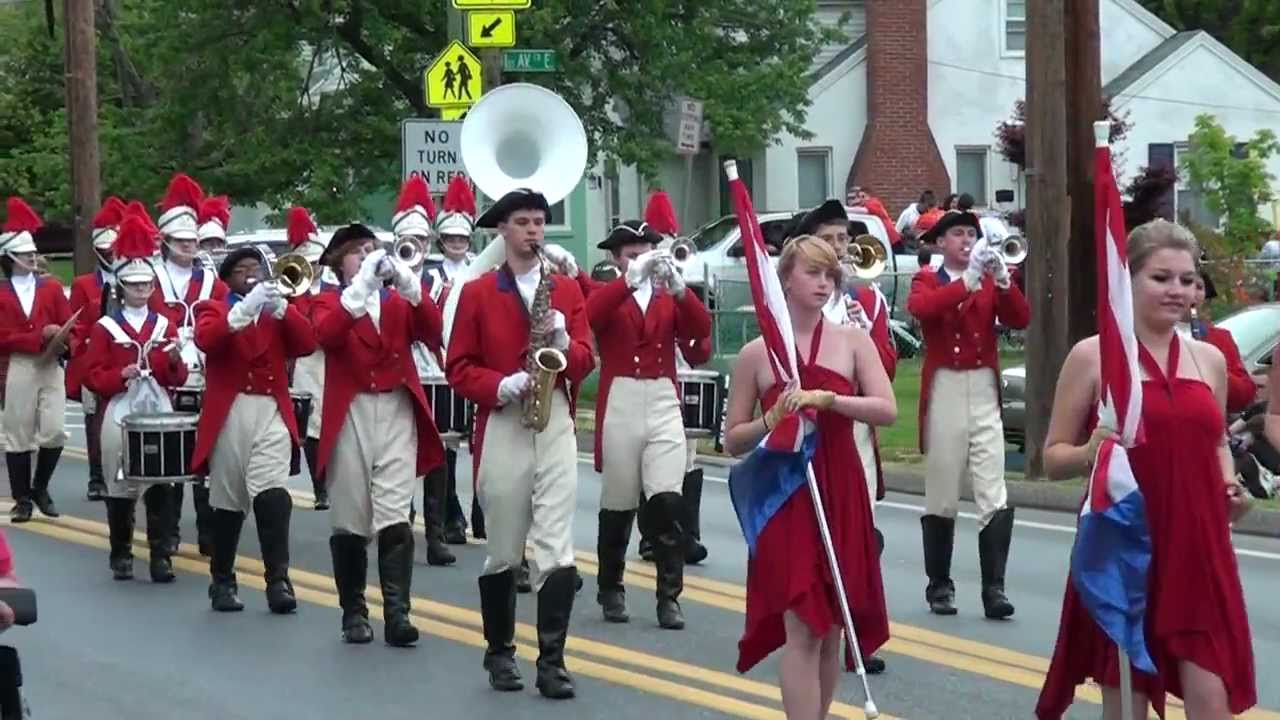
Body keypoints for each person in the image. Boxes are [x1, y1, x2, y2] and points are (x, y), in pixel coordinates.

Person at [1036, 220, 1256, 719]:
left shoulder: (1209, 360)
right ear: (1127, 281)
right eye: (1161, 278)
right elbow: (1052, 459)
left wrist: (1231, 488)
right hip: (1127, 542)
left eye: (1186, 279)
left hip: (1199, 546)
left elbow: (1216, 441)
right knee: (1127, 703)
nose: (1177, 290)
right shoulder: (1092, 356)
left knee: (1212, 698)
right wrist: (1092, 448)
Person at [723, 236, 894, 720]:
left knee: (831, 625)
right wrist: (770, 420)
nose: (823, 283)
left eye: (829, 276)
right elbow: (733, 439)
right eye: (813, 273)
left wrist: (829, 400)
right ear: (785, 280)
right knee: (801, 624)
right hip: (786, 494)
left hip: (840, 486)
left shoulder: (853, 341)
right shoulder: (757, 354)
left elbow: (886, 408)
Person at [446, 188, 595, 699]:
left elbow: (586, 360)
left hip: (554, 421)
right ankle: (500, 652)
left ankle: (552, 662)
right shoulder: (479, 292)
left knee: (556, 547)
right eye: (524, 222)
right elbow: (458, 367)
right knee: (505, 549)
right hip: (505, 421)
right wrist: (498, 385)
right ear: (503, 231)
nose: (534, 231)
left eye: (539, 222)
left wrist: (563, 343)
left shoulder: (568, 291)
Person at [312, 223, 446, 647]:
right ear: (339, 263)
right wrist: (361, 288)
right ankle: (353, 611)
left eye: (371, 249)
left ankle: (397, 612)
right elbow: (326, 335)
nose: (368, 256)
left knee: (394, 512)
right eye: (357, 252)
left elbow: (432, 329)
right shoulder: (327, 301)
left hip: (395, 407)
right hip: (350, 409)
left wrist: (411, 287)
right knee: (351, 514)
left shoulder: (394, 303)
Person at [586, 219, 712, 630]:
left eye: (645, 252)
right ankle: (611, 586)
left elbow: (700, 334)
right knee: (619, 501)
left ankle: (669, 597)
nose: (640, 260)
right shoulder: (609, 292)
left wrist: (680, 290)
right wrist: (628, 282)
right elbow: (592, 316)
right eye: (631, 255)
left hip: (661, 396)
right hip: (621, 396)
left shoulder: (666, 296)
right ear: (617, 259)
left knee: (667, 498)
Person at [791, 199, 897, 674]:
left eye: (843, 241)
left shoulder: (867, 301)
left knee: (861, 531)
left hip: (854, 427)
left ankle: (856, 632)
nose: (839, 250)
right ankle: (821, 626)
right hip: (810, 435)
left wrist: (863, 336)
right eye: (830, 240)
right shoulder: (794, 307)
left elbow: (888, 373)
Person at [906, 209, 1029, 619]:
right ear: (940, 242)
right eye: (957, 234)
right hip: (945, 385)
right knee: (942, 487)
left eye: (970, 234)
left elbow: (1020, 318)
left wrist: (1006, 282)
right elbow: (923, 310)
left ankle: (995, 589)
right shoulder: (928, 278)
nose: (965, 240)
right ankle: (939, 585)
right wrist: (968, 281)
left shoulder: (989, 278)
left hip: (983, 387)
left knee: (993, 487)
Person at [191, 245, 317, 613]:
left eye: (257, 269)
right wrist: (243, 310)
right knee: (228, 502)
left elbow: (307, 343)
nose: (254, 275)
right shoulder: (213, 308)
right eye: (244, 270)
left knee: (272, 492)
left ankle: (278, 580)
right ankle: (223, 580)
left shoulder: (275, 313)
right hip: (230, 411)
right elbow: (208, 339)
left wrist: (282, 309)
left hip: (271, 409)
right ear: (228, 278)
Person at [82, 215, 189, 581]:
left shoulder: (164, 325)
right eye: (134, 285)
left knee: (161, 481)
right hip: (120, 409)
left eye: (146, 285)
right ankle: (121, 552)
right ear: (121, 287)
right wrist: (118, 375)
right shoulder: (105, 327)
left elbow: (177, 378)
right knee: (120, 482)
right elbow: (91, 375)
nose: (142, 290)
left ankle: (160, 556)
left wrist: (172, 361)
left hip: (157, 406)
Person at [151, 173, 227, 557]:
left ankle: (208, 529)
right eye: (181, 242)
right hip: (163, 375)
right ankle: (166, 533)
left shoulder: (212, 278)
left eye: (193, 241)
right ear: (165, 241)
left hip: (204, 373)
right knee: (169, 456)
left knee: (205, 454)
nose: (189, 248)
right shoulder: (149, 277)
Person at [390, 174, 456, 567]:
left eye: (424, 241)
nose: (418, 248)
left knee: (439, 446)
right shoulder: (383, 273)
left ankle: (436, 533)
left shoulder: (437, 277)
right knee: (396, 447)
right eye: (411, 240)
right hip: (398, 367)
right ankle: (398, 519)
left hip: (432, 364)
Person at [0, 197, 71, 523]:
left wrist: (64, 340)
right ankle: (22, 499)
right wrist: (37, 336)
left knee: (55, 430)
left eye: (33, 252)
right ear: (9, 257)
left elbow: (72, 323)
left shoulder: (52, 288)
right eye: (26, 253)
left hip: (51, 365)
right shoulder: (1, 292)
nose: (32, 257)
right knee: (18, 434)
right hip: (21, 364)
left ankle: (40, 486)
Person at [430, 175, 483, 545]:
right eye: (450, 239)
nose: (456, 245)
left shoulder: (482, 268)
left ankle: (485, 513)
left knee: (484, 440)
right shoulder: (430, 272)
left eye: (462, 238)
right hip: (440, 359)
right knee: (446, 441)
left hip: (477, 360)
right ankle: (449, 513)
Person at [69, 196, 128, 502]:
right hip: (96, 357)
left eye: (114, 248)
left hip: (127, 356)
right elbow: (75, 326)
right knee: (95, 419)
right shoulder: (82, 284)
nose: (110, 253)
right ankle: (96, 476)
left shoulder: (134, 278)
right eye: (105, 249)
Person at [282, 207, 333, 511]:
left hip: (334, 357)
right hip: (307, 358)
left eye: (316, 261)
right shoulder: (292, 290)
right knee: (313, 421)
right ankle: (320, 486)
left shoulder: (334, 286)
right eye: (308, 262)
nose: (313, 267)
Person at [1182, 268, 1256, 414]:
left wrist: (1215, 368)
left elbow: (1244, 396)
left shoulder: (1219, 337)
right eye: (1186, 283)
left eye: (1199, 287)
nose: (1193, 294)